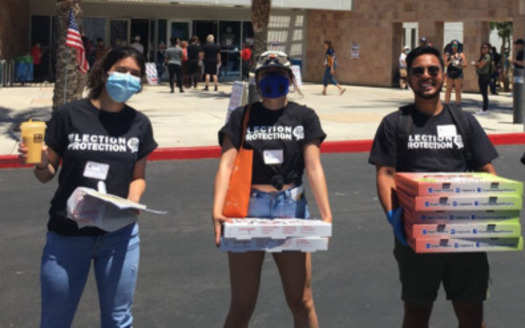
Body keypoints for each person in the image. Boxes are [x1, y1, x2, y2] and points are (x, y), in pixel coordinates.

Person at [17, 47, 158, 328]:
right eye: (121, 70)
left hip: (119, 235)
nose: (127, 78)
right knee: (55, 321)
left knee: (118, 321)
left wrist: (132, 202)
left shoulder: (139, 124)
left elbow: (138, 176)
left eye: (134, 74)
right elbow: (47, 174)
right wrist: (41, 162)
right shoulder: (69, 115)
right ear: (105, 72)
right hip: (68, 235)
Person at [368, 45, 498, 328]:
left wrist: (492, 209)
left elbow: (487, 169)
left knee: (472, 314)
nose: (425, 76)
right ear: (409, 78)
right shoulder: (395, 124)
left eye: (432, 70)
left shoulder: (464, 121)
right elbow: (386, 173)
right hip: (416, 233)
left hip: (464, 234)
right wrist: (394, 217)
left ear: (442, 75)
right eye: (418, 71)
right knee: (416, 314)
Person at [212, 50, 332, 328]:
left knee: (302, 301)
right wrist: (216, 210)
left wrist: (326, 216)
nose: (273, 80)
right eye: (266, 74)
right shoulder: (242, 116)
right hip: (248, 208)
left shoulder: (305, 117)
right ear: (257, 80)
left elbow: (314, 167)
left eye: (279, 74)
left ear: (290, 78)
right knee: (242, 305)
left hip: (291, 207)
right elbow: (225, 166)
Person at [444, 40, 467, 105]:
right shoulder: (447, 54)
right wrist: (451, 60)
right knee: (448, 90)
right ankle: (446, 104)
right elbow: (445, 64)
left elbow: (465, 65)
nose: (454, 47)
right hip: (450, 72)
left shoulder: (461, 54)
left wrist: (460, 64)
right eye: (453, 45)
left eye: (456, 45)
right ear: (451, 46)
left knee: (458, 90)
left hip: (458, 73)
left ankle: (458, 104)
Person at [473, 43, 493, 115]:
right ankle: (484, 108)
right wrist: (477, 64)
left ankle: (485, 109)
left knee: (484, 92)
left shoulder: (487, 56)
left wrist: (476, 64)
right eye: (482, 48)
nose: (483, 49)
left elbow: (481, 65)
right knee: (482, 92)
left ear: (488, 49)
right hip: (481, 75)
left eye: (485, 48)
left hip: (485, 75)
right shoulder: (482, 56)